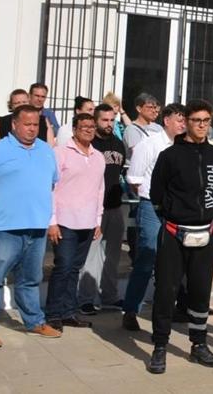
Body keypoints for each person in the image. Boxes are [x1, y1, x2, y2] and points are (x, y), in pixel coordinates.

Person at [145, 100, 213, 375]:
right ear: (186, 122)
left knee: (201, 292)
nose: (201, 125)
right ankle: (159, 346)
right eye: (196, 120)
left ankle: (199, 344)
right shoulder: (170, 156)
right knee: (166, 291)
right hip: (174, 232)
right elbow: (156, 193)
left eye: (206, 120)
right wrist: (175, 213)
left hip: (205, 234)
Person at [0, 105, 61, 346]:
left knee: (30, 279)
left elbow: (52, 184)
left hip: (36, 227)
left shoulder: (46, 150)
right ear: (14, 124)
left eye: (36, 125)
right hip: (3, 229)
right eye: (27, 124)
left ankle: (34, 321)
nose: (32, 129)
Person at [121, 103, 187, 330]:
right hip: (151, 206)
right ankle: (131, 310)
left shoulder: (185, 147)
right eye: (179, 120)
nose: (183, 125)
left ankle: (169, 309)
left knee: (173, 261)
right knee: (147, 258)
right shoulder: (149, 144)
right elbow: (134, 179)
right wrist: (153, 198)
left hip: (177, 209)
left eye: (184, 120)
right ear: (166, 121)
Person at [44, 113, 104, 331]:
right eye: (83, 127)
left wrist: (98, 220)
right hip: (64, 221)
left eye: (91, 126)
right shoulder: (60, 153)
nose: (88, 130)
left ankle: (69, 312)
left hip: (88, 222)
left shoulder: (98, 156)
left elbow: (100, 190)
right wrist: (52, 221)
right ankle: (53, 314)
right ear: (75, 129)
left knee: (75, 268)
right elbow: (50, 188)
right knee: (63, 267)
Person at [77, 103, 129, 314]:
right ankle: (85, 299)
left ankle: (110, 296)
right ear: (96, 120)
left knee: (112, 255)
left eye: (112, 119)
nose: (109, 124)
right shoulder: (90, 144)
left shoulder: (118, 143)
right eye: (104, 120)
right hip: (92, 208)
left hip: (115, 206)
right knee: (91, 255)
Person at [122, 93, 162, 158]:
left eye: (154, 107)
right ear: (139, 109)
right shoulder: (132, 129)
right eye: (150, 107)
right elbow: (139, 153)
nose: (154, 111)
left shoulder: (158, 128)